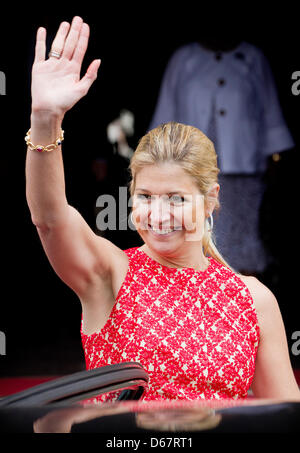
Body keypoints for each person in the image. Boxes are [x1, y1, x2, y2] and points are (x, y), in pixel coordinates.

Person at [26, 16, 300, 402]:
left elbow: (283, 415)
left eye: (176, 199)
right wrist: (45, 120)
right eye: (146, 197)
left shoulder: (253, 300)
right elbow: (50, 218)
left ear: (211, 199)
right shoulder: (110, 273)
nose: (158, 214)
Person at [148, 37, 295, 276]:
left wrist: (275, 159)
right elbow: (164, 114)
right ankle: (197, 303)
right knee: (192, 238)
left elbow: (271, 113)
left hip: (243, 169)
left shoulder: (253, 58)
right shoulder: (183, 59)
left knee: (243, 243)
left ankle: (243, 305)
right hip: (189, 171)